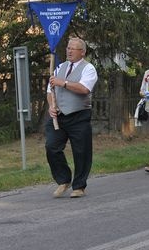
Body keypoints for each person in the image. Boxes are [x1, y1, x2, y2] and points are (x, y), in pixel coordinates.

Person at [46, 37, 98, 198]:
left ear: (82, 52)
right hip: (59, 116)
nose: (69, 51)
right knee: (52, 147)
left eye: (73, 49)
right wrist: (51, 105)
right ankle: (63, 179)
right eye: (68, 48)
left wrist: (64, 83)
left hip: (78, 115)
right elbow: (50, 90)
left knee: (81, 151)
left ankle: (79, 186)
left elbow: (84, 89)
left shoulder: (88, 68)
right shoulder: (60, 67)